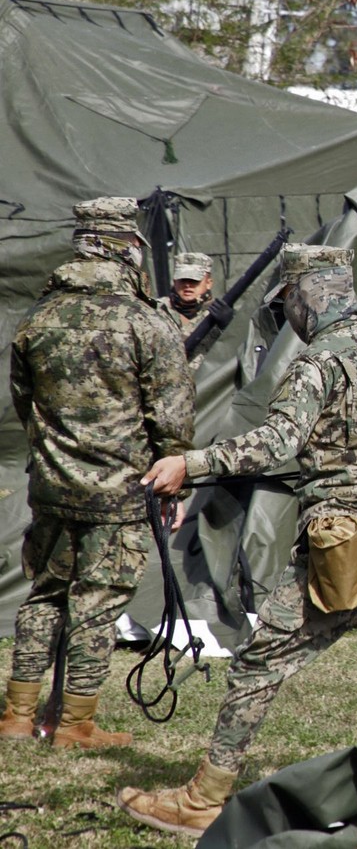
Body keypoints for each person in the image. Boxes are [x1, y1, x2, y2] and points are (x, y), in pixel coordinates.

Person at [119, 245, 357, 836]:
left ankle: (204, 799)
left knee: (259, 663)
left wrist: (191, 463)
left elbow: (274, 443)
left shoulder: (315, 366)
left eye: (291, 305)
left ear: (307, 300)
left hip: (342, 547)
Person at [0, 197, 194, 749]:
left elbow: (24, 400)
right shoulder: (145, 322)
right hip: (118, 491)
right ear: (126, 248)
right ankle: (76, 723)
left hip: (52, 486)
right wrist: (175, 477)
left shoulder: (39, 316)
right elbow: (172, 415)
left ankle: (16, 715)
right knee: (98, 601)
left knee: (45, 592)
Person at [154, 251, 232, 366]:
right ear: (175, 282)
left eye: (194, 280)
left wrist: (228, 327)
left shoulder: (218, 312)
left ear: (209, 283)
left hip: (205, 381)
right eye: (183, 279)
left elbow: (237, 353)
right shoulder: (156, 309)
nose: (187, 285)